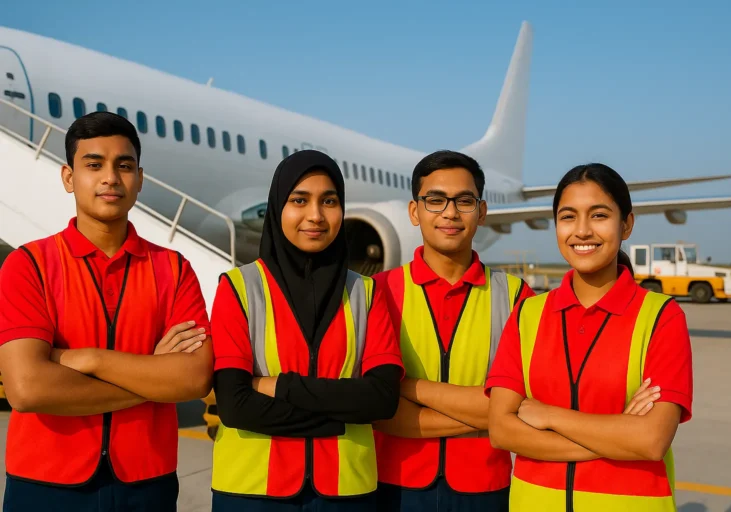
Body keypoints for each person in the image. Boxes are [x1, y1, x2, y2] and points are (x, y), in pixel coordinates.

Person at [0, 111, 213, 511]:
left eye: (124, 166)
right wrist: (152, 374)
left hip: (147, 483)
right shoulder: (29, 264)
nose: (110, 177)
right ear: (68, 177)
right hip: (44, 484)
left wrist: (90, 360)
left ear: (140, 179)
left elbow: (193, 379)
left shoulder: (174, 268)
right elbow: (27, 389)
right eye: (94, 164)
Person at [485, 163, 694, 511]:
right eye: (568, 217)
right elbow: (501, 431)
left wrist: (550, 417)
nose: (582, 231)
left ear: (626, 224)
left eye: (598, 215)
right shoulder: (527, 315)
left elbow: (652, 440)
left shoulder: (661, 316)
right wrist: (619, 434)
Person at [209, 150, 403, 511]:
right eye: (299, 200)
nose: (315, 215)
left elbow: (381, 399)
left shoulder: (366, 292)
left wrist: (279, 386)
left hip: (346, 492)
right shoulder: (239, 287)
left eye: (329, 201)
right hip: (251, 492)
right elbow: (235, 408)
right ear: (278, 207)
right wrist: (339, 415)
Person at [372, 150, 535, 511]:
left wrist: (409, 389)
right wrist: (489, 417)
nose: (449, 212)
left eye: (464, 201)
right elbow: (378, 408)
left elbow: (523, 404)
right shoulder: (376, 293)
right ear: (414, 212)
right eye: (435, 200)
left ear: (482, 211)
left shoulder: (516, 297)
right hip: (393, 486)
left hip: (486, 488)